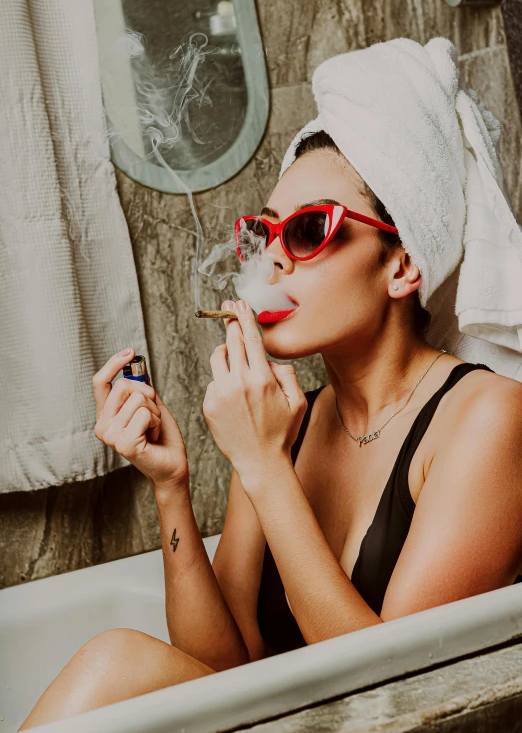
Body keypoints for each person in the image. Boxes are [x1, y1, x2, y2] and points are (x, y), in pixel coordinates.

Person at [18, 40, 522, 729]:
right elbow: (221, 671)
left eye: (310, 229)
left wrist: (262, 465)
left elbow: (399, 696)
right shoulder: (291, 419)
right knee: (120, 661)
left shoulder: (489, 415)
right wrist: (171, 485)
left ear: (403, 267)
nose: (273, 257)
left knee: (115, 662)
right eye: (264, 231)